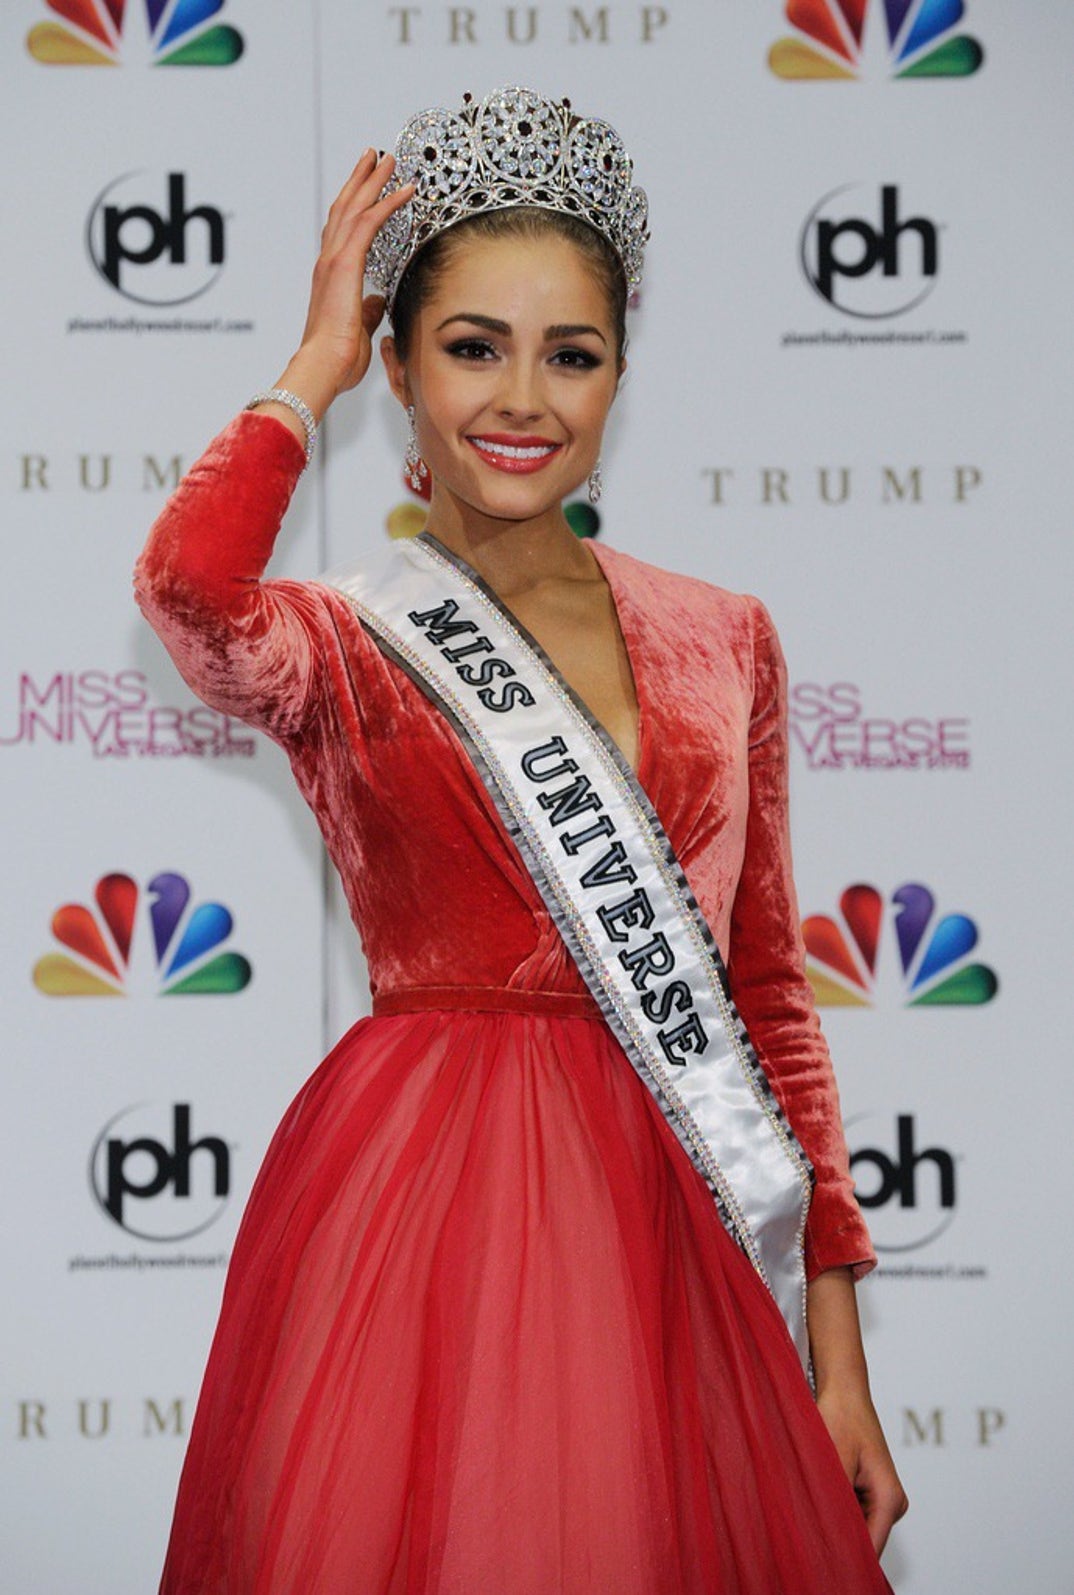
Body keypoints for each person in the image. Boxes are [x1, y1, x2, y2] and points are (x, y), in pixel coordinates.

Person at [135, 86, 907, 1594]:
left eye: (574, 355)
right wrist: (310, 366)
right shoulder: (345, 641)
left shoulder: (721, 637)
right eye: (472, 346)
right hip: (427, 1203)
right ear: (405, 368)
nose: (523, 399)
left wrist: (839, 1360)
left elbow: (767, 1001)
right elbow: (190, 599)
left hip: (673, 1215)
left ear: (621, 373)